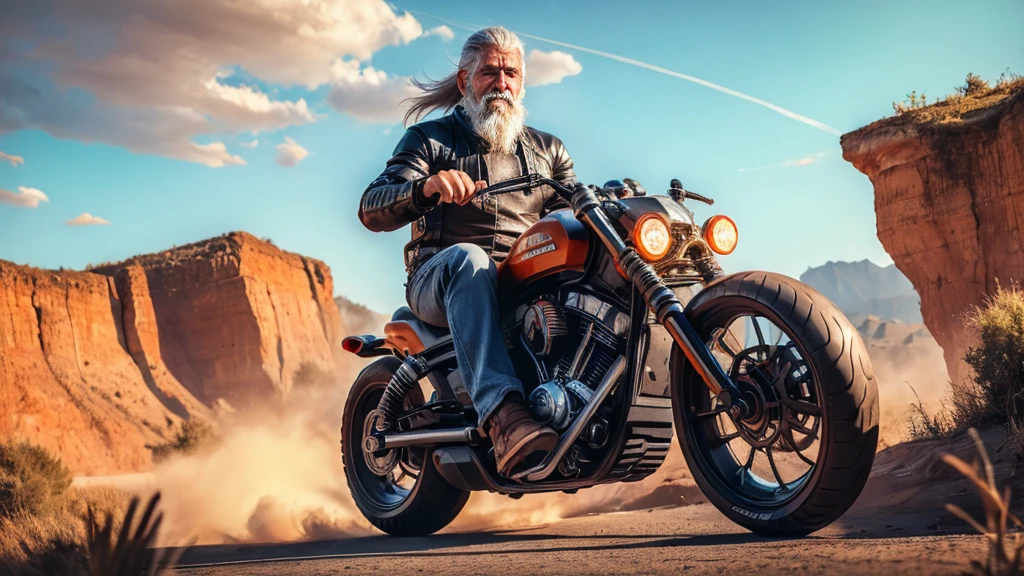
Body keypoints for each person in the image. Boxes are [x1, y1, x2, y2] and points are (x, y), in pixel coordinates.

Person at [358, 27, 576, 477]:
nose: (501, 83)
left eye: (511, 73)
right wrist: (426, 187)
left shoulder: (549, 151)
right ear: (465, 81)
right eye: (490, 72)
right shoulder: (431, 140)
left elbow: (573, 210)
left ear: (522, 83)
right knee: (469, 258)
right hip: (439, 278)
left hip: (521, 282)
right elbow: (372, 206)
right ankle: (503, 417)